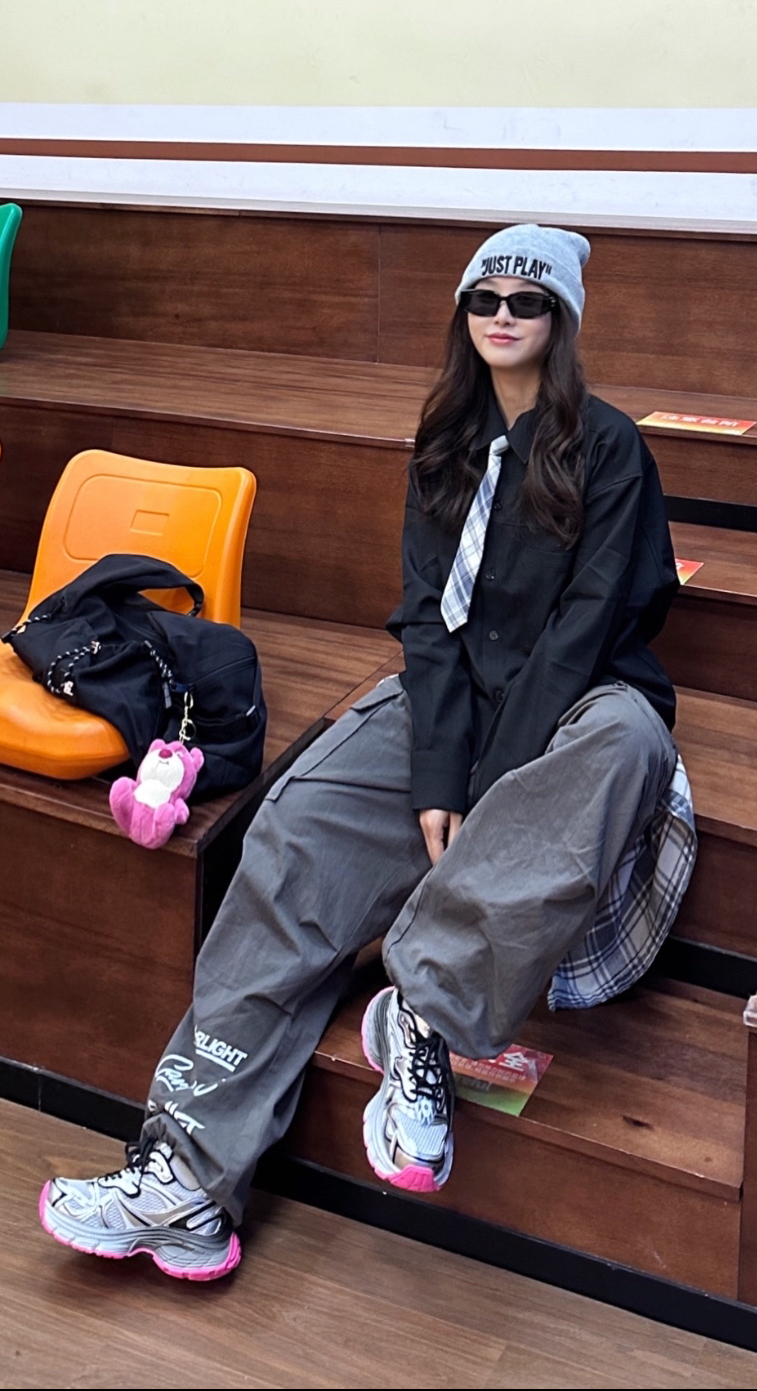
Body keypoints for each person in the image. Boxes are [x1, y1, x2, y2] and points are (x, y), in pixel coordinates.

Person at [39, 224, 682, 1282]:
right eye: (484, 298)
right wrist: (437, 773)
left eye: (527, 300)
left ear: (561, 319)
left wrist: (487, 785)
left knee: (625, 742)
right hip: (456, 694)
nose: (503, 316)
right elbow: (429, 621)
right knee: (296, 823)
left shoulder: (607, 446)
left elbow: (584, 627)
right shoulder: (445, 436)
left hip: (582, 701)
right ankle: (186, 1180)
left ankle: (424, 1010)